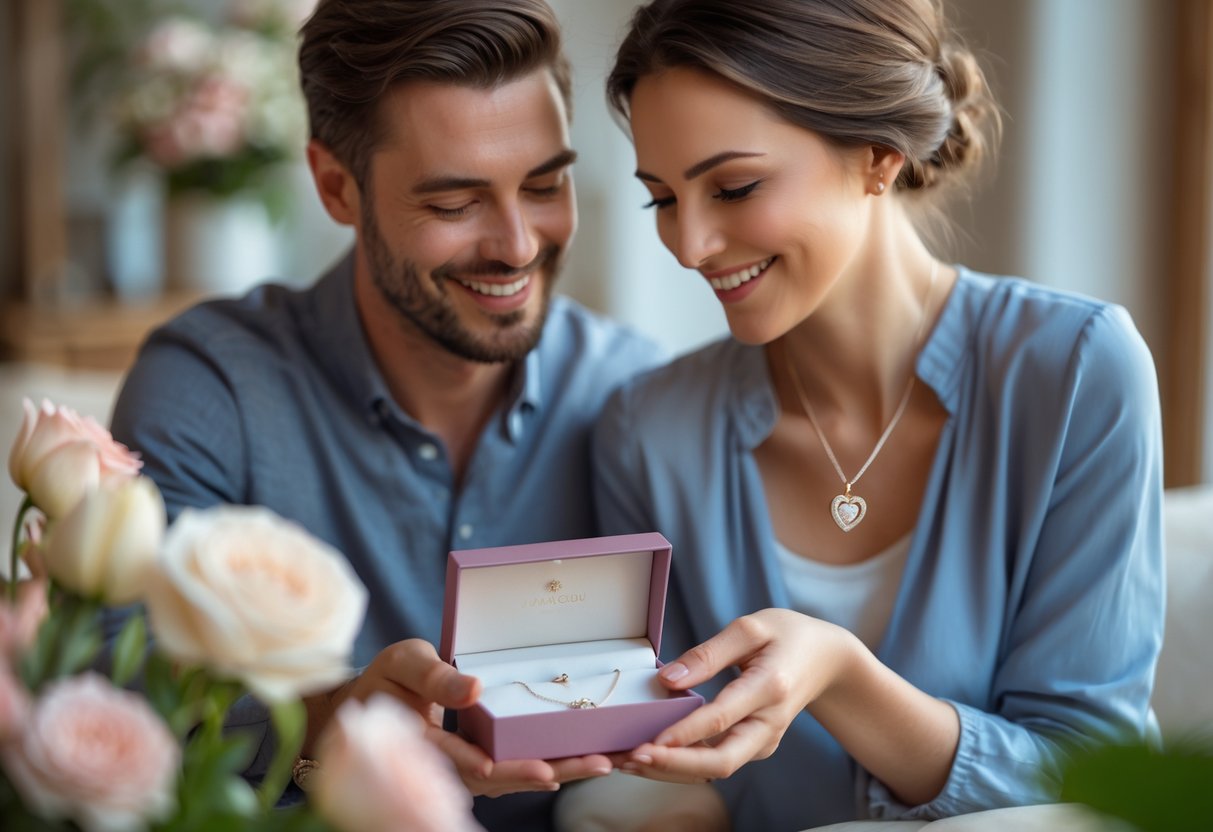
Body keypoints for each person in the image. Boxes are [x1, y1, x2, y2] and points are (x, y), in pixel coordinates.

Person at [589, 1, 1165, 830]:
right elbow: (670, 760)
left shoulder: (1075, 371)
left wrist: (842, 677)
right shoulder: (647, 430)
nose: (690, 244)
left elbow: (1091, 771)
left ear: (877, 155)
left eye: (734, 186)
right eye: (661, 199)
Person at [110, 1, 665, 829]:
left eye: (544, 184)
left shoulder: (636, 395)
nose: (516, 244)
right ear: (338, 186)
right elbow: (127, 719)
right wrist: (330, 732)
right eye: (454, 204)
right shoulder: (209, 390)